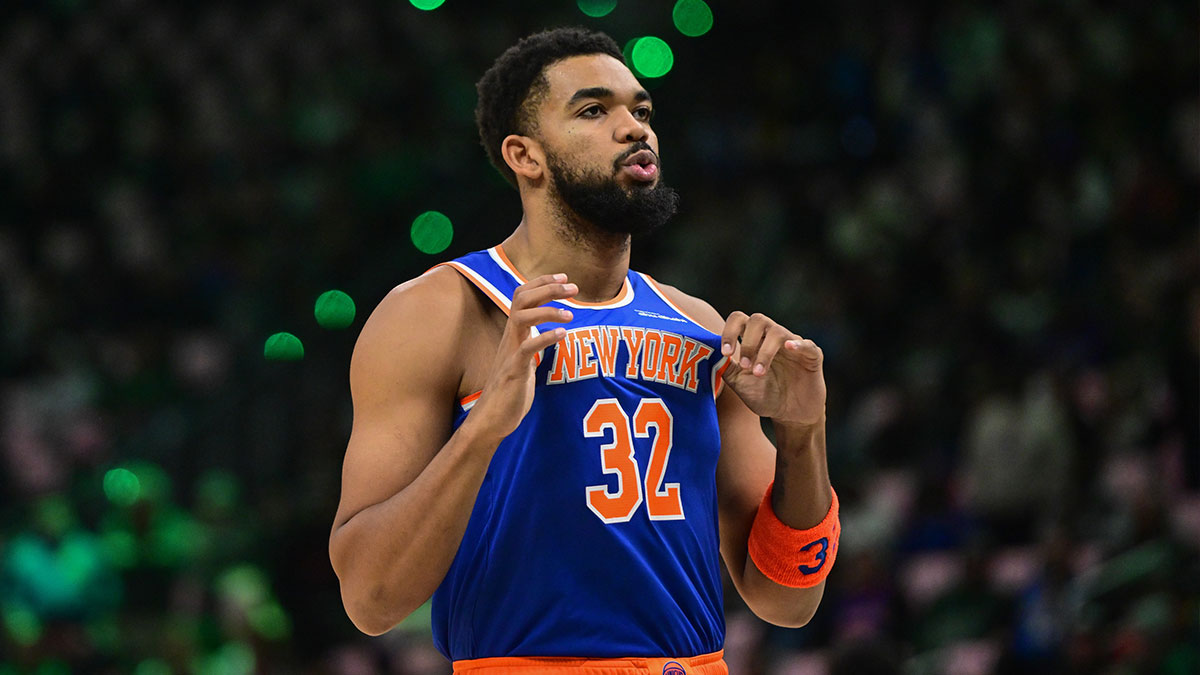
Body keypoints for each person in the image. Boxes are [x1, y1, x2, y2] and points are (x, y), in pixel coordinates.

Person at [329, 27, 839, 675]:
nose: (635, 128)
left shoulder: (698, 324)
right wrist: (485, 424)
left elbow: (787, 597)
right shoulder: (439, 312)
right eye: (595, 110)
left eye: (642, 110)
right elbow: (370, 599)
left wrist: (802, 434)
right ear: (525, 155)